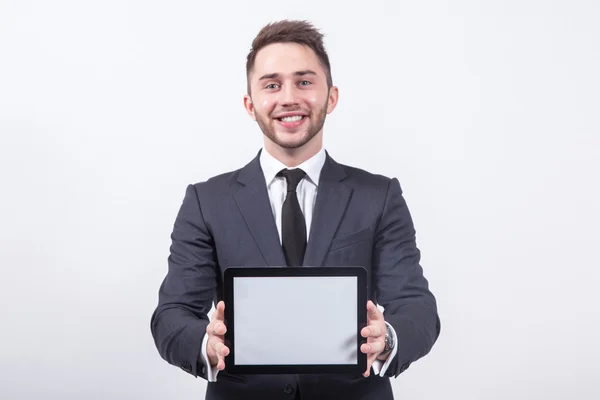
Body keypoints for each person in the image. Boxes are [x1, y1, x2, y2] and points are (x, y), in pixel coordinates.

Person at [150, 19, 440, 400]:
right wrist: (205, 346)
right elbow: (171, 315)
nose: (288, 97)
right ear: (250, 104)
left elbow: (416, 306)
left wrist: (386, 339)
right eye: (272, 84)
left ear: (331, 97)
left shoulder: (379, 195)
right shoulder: (206, 201)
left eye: (304, 81)